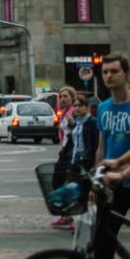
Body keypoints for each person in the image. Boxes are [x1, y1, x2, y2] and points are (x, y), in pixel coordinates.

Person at [75, 54, 130, 259]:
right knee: (102, 242)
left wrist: (124, 169)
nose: (108, 76)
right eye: (105, 72)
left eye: (114, 71)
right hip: (112, 185)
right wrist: (97, 178)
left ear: (127, 74)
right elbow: (102, 147)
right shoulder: (103, 109)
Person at [49, 86, 78, 228]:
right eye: (61, 96)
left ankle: (72, 216)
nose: (63, 99)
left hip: (73, 153)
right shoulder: (63, 113)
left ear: (72, 98)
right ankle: (66, 215)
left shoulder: (74, 112)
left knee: (70, 183)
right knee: (57, 182)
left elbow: (81, 130)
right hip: (65, 151)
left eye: (66, 96)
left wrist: (74, 124)